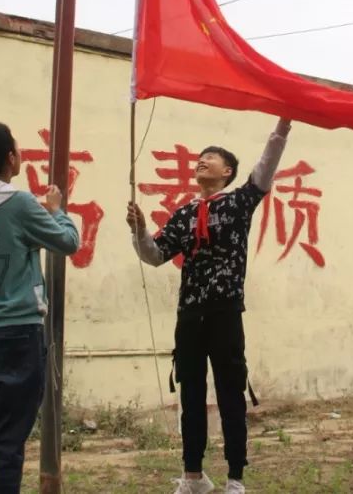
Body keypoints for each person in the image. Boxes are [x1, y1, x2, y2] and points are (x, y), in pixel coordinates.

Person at [127, 118, 292, 494]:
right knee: (191, 395)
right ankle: (192, 476)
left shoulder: (238, 202)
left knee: (231, 392)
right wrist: (138, 229)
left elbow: (264, 171)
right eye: (200, 158)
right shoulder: (184, 213)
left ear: (227, 171)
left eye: (211, 158)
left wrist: (281, 129)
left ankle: (235, 478)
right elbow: (154, 255)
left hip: (225, 312)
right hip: (190, 315)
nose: (202, 161)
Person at [0, 121, 81, 494]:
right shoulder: (20, 203)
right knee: (8, 445)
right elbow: (68, 242)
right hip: (16, 335)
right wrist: (56, 210)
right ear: (11, 158)